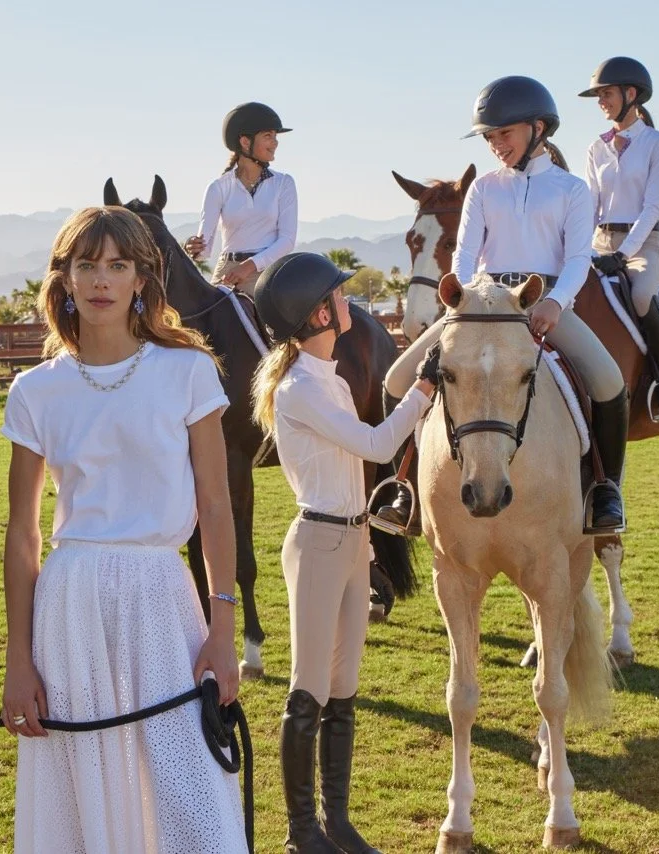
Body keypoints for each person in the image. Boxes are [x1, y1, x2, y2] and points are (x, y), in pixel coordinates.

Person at [0, 206, 247, 852]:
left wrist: (223, 629)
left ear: (143, 279)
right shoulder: (36, 391)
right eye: (87, 265)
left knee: (192, 795)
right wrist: (17, 659)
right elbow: (23, 534)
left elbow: (217, 508)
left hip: (162, 596)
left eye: (117, 265)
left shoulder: (187, 371)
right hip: (70, 603)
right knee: (81, 793)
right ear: (66, 278)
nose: (101, 280)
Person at [380, 76, 629, 535]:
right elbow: (464, 254)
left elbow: (578, 258)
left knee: (610, 383)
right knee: (396, 381)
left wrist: (555, 303)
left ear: (538, 128)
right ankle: (405, 489)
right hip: (482, 303)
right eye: (490, 137)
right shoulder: (483, 189)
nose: (496, 144)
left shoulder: (571, 189)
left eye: (504, 134)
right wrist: (469, 294)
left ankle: (605, 490)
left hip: (544, 304)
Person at [252, 252, 436, 853]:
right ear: (318, 315)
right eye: (337, 297)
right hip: (321, 541)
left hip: (354, 539)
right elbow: (379, 441)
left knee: (344, 686)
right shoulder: (302, 388)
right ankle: (302, 831)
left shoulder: (326, 377)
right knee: (308, 688)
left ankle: (337, 821)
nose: (346, 303)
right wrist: (422, 392)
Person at [581, 56, 659, 422]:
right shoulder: (596, 148)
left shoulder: (658, 142)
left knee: (641, 294)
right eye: (599, 96)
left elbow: (654, 206)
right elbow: (591, 205)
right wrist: (582, 247)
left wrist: (623, 254)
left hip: (643, 245)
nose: (601, 102)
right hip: (600, 241)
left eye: (606, 94)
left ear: (630, 93)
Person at [184, 101, 298, 297]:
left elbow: (287, 240)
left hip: (267, 273)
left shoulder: (284, 184)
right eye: (268, 136)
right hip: (228, 271)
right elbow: (204, 251)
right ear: (245, 142)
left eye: (275, 136)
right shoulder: (217, 188)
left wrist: (248, 267)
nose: (275, 142)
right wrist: (193, 246)